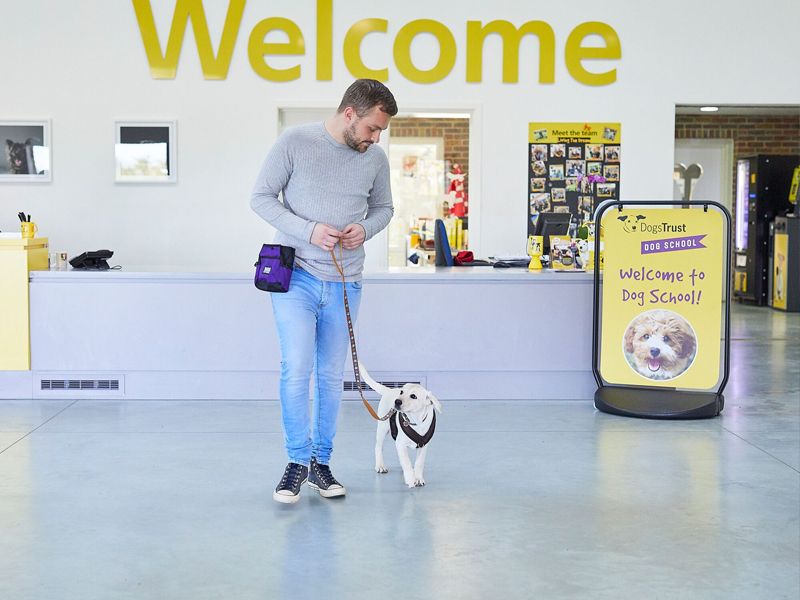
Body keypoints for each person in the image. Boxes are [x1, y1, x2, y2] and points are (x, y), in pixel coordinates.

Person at [250, 79, 397, 504]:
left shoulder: (376, 159)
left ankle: (320, 463)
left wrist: (364, 229)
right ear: (350, 113)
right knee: (296, 368)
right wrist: (309, 230)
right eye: (372, 128)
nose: (375, 138)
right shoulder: (295, 142)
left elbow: (384, 208)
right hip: (294, 276)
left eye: (381, 131)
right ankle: (295, 463)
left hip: (346, 280)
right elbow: (260, 197)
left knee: (331, 376)